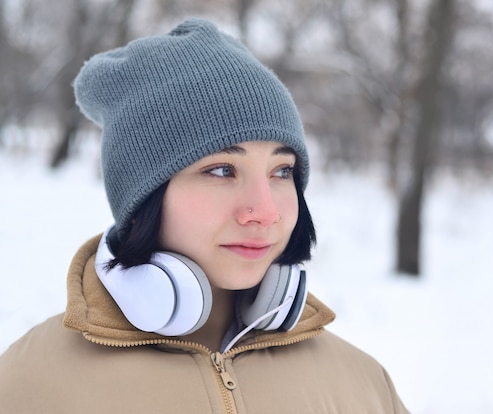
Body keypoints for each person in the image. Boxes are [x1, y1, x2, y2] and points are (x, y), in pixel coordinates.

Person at [0, 18, 409, 413]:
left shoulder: (362, 385)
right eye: (221, 170)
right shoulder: (27, 386)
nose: (264, 212)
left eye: (281, 171)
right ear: (143, 195)